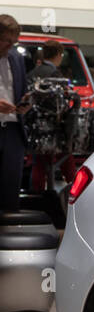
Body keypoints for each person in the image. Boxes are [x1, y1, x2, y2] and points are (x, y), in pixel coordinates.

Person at [0, 15, 30, 213]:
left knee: (11, 187)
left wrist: (25, 104)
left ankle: (10, 237)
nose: (10, 46)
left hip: (13, 129)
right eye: (6, 41)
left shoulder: (17, 58)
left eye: (13, 42)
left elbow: (23, 89)